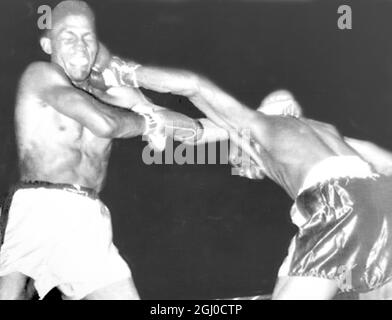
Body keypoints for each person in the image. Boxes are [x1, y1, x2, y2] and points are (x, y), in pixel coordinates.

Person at [124, 65, 392, 299]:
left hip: (337, 204)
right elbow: (385, 163)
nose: (239, 166)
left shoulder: (260, 127)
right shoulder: (323, 132)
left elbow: (195, 95)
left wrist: (124, 72)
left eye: (237, 157)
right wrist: (148, 115)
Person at [0, 0, 202, 300]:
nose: (80, 46)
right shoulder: (39, 75)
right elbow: (104, 124)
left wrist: (144, 103)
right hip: (36, 208)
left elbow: (191, 131)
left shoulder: (111, 95)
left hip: (88, 216)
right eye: (68, 37)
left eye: (87, 38)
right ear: (47, 43)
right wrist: (147, 120)